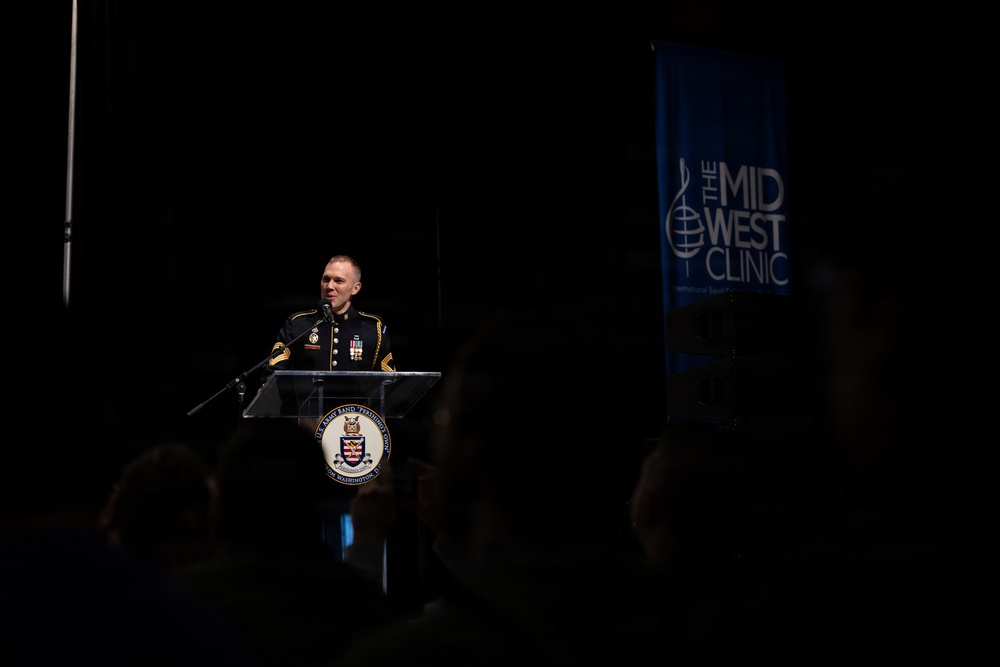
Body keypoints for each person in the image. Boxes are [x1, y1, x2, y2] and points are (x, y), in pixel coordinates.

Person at [260, 254, 396, 386]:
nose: (329, 286)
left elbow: (388, 384)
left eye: (339, 281)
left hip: (354, 410)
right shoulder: (298, 324)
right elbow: (272, 379)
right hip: (308, 409)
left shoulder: (372, 328)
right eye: (326, 279)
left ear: (355, 288)